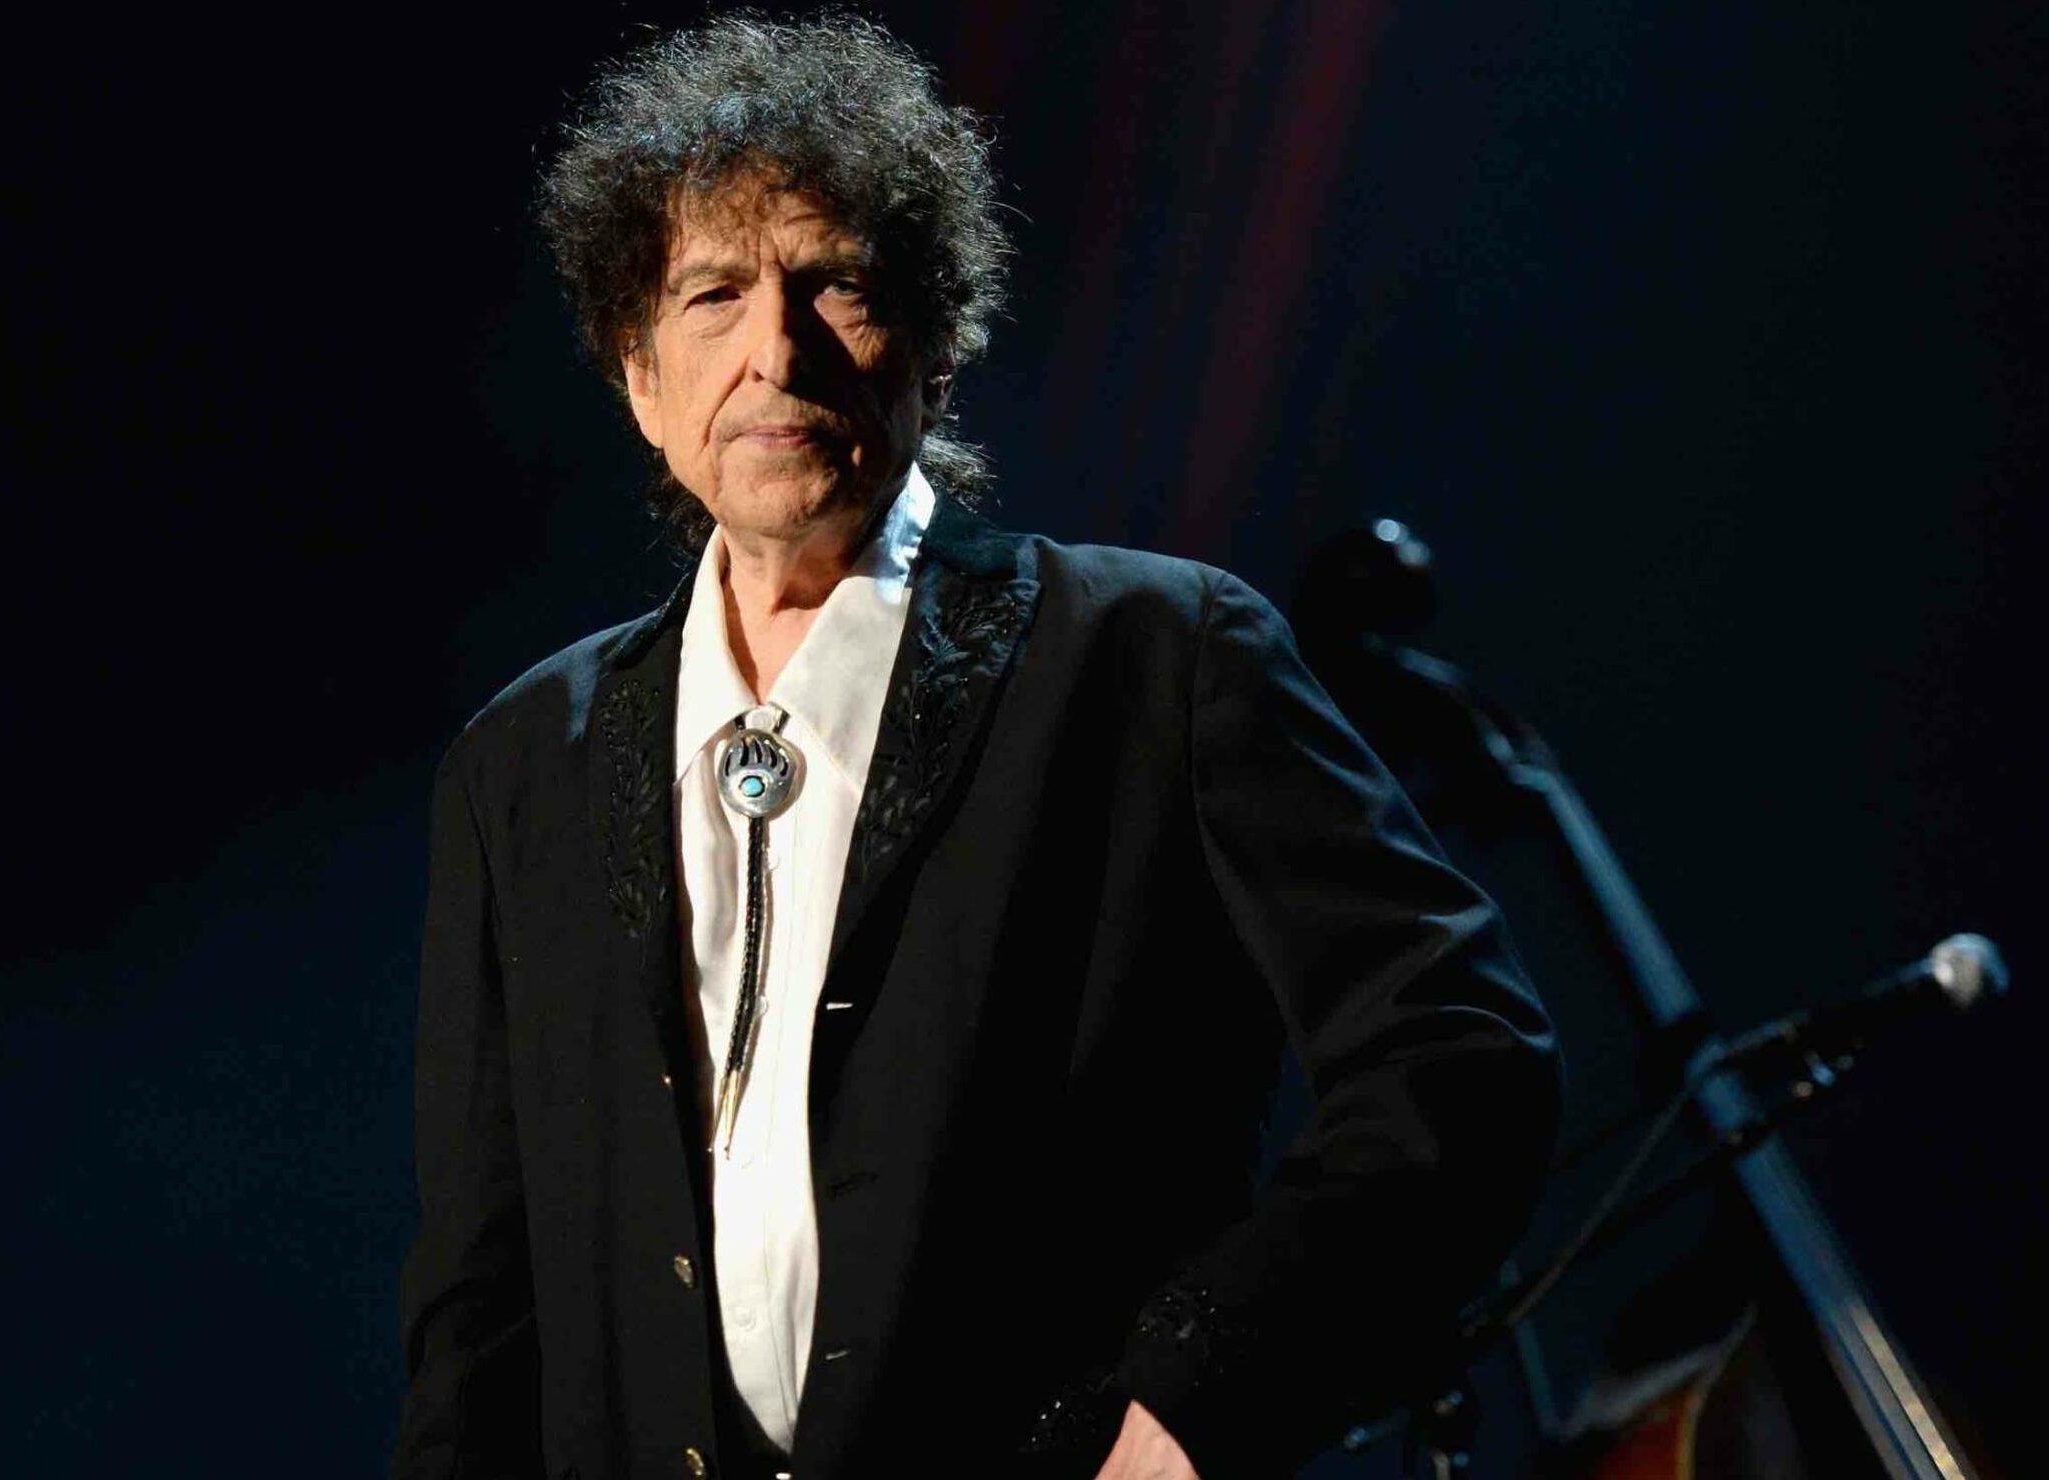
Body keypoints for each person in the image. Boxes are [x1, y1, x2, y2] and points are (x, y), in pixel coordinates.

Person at [396, 13, 1561, 1480]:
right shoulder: (522, 764)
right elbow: (481, 1313)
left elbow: (1460, 1059)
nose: (774, 350)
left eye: (835, 284)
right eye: (713, 295)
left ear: (936, 350)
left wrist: (1197, 1401)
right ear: (639, 377)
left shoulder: (1157, 655)